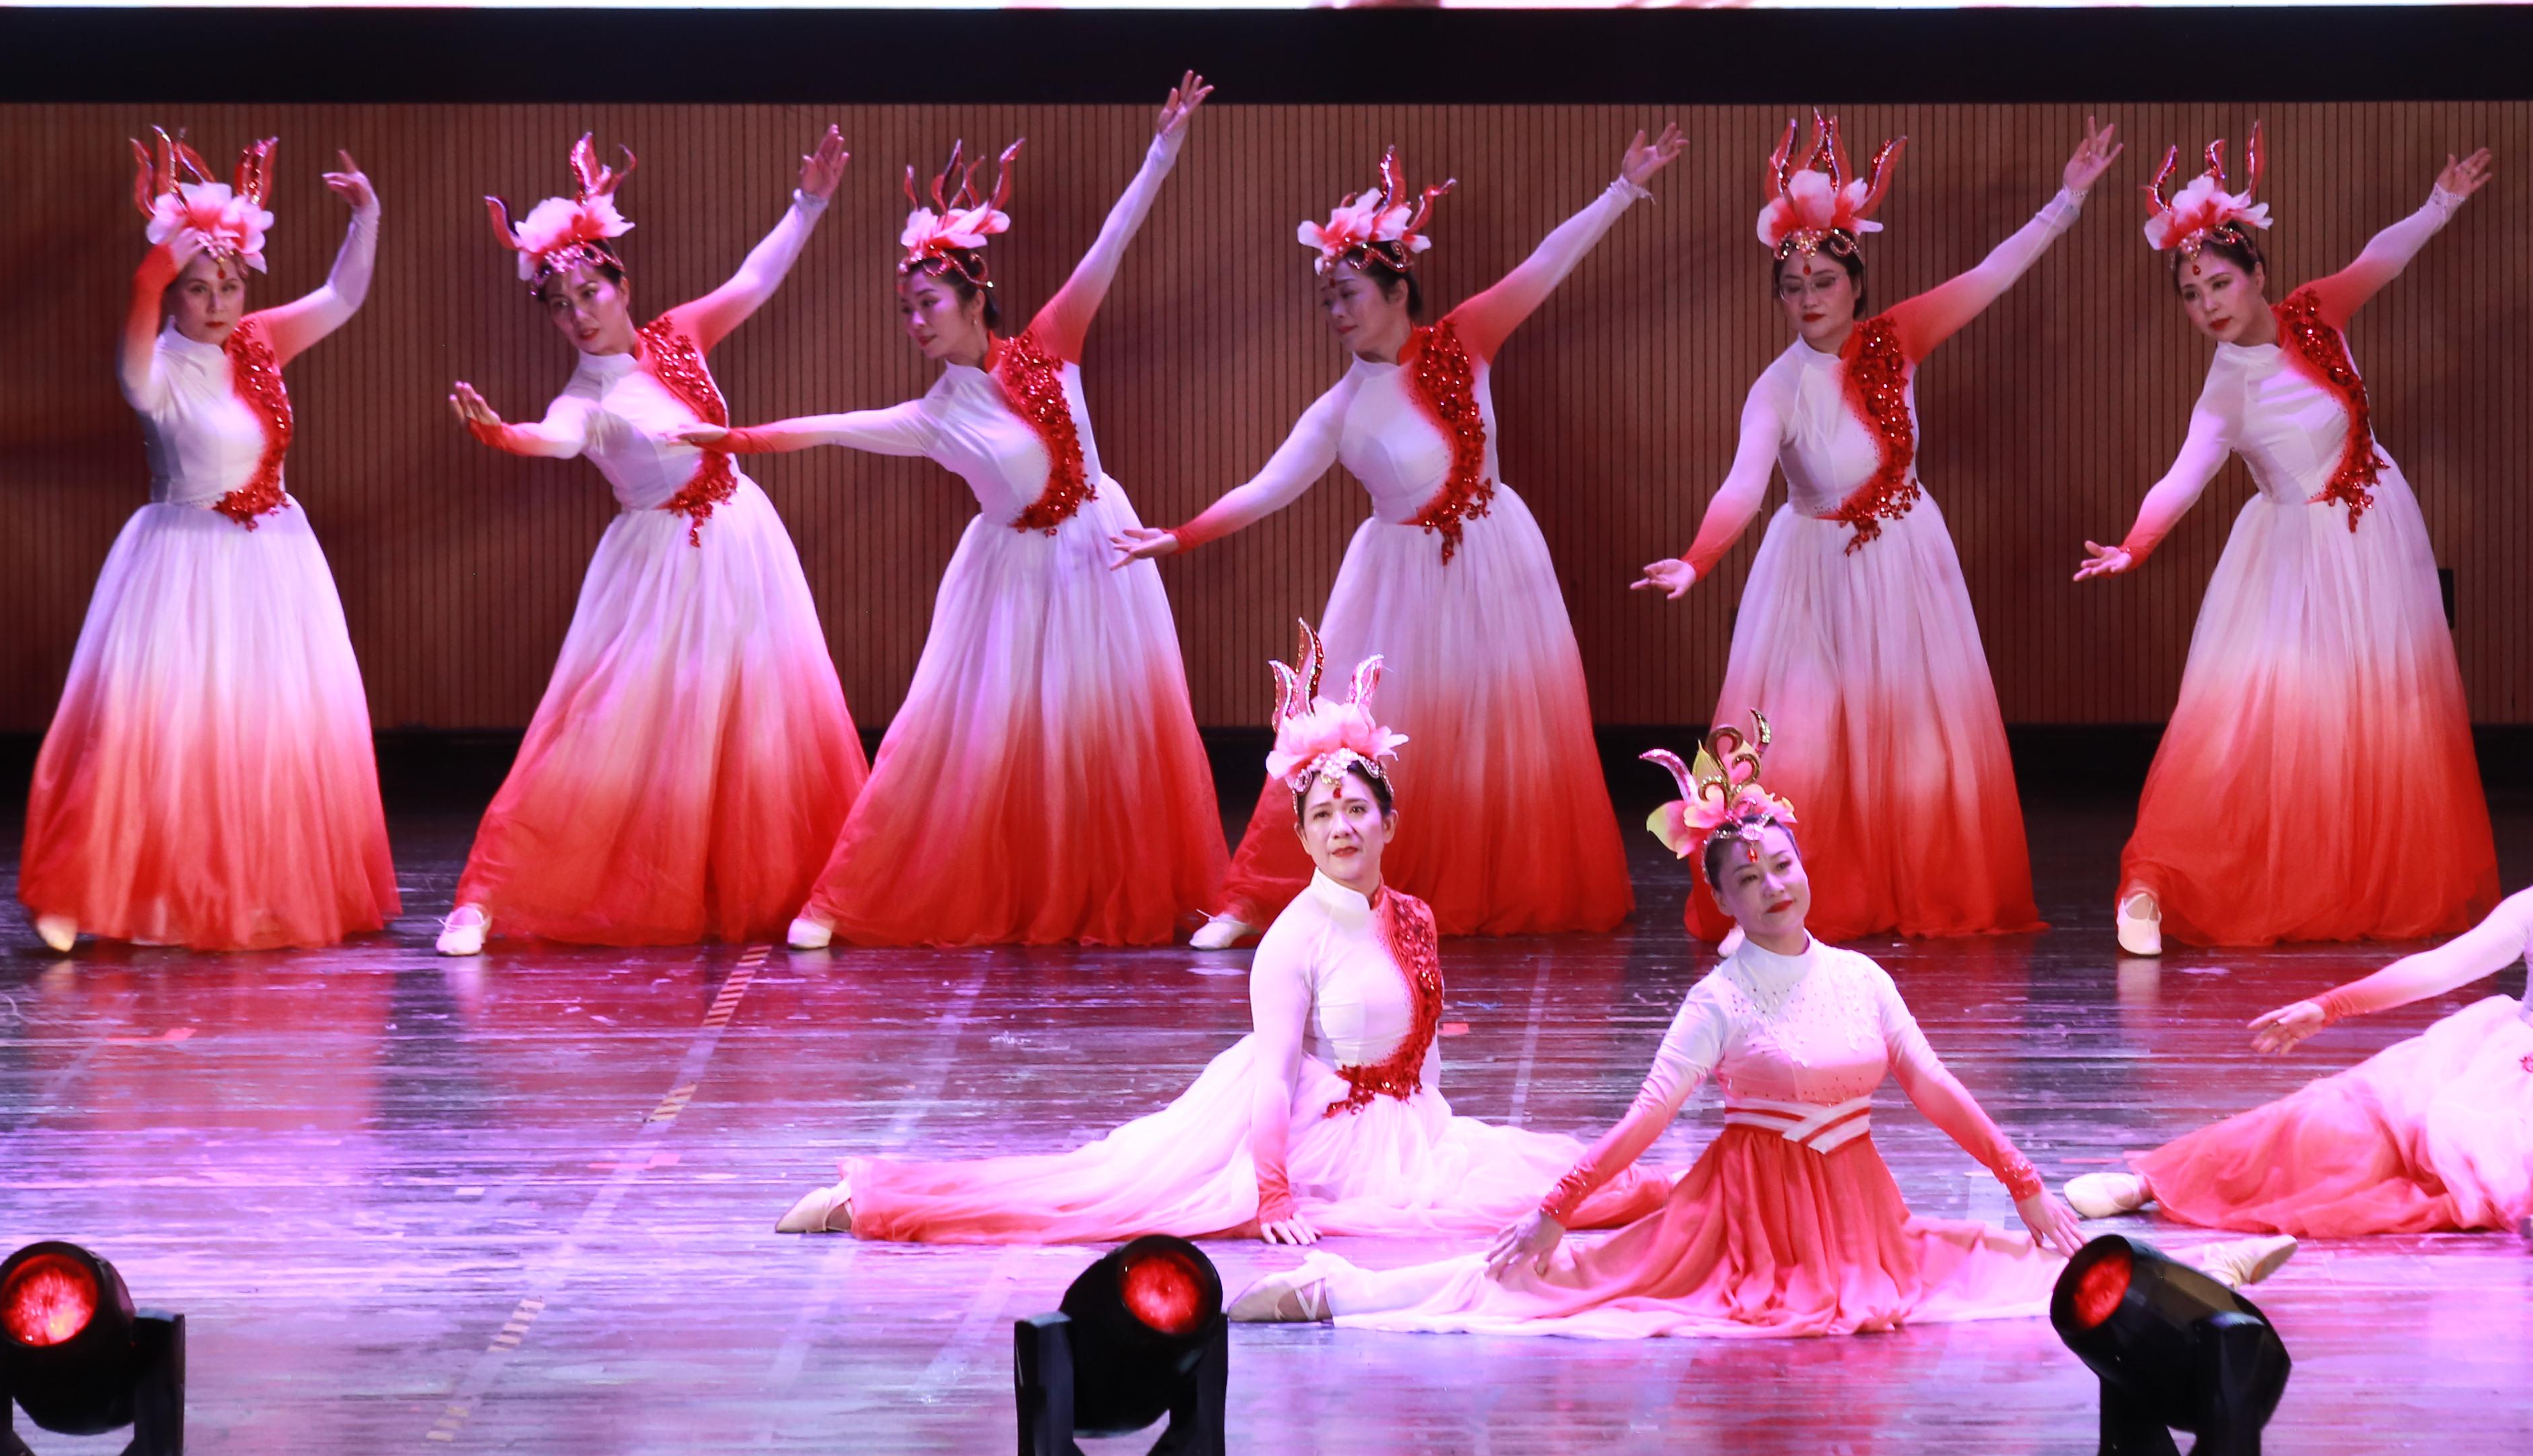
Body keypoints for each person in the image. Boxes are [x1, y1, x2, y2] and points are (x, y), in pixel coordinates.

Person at [1229, 727, 2292, 1333]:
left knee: (1977, 1260)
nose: (1775, 886)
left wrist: (2023, 1181)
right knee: (1568, 1283)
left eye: (1783, 865)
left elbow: (1932, 1086)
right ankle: (1335, 1294)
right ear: (1724, 900)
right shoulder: (1720, 1000)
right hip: (1744, 1215)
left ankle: (2189, 1273)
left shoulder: (1862, 977)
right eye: (1750, 878)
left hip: (1855, 1209)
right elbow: (1645, 1123)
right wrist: (1555, 1211)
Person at [782, 630, 1667, 1243]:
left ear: (1389, 823)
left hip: (1408, 1127)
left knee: (1572, 1189)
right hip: (1312, 1126)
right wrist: (1272, 1190)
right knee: (1102, 1197)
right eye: (1323, 816)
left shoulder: (1415, 916)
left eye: (1358, 811)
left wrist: (1433, 1133)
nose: (1343, 828)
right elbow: (1276, 1075)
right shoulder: (1294, 938)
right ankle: (869, 1201)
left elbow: (1425, 1049)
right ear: (1304, 836)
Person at [2067, 622, 2533, 1257]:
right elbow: (2441, 967)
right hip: (2511, 1070)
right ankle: (2151, 1183)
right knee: (2333, 1120)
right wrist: (2329, 1007)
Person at [675, 81, 1223, 948]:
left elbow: (1113, 240)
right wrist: (733, 437)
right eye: (906, 310)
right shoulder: (933, 417)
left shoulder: (1053, 342)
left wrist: (1164, 147)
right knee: (968, 741)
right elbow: (826, 428)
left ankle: (1102, 888)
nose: (915, 322)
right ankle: (850, 899)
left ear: (974, 298)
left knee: (1107, 732)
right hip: (1011, 578)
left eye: (927, 304)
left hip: (1099, 556)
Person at [1119, 126, 1687, 943]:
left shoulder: (1464, 340)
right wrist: (1179, 536)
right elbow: (1267, 489)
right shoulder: (1340, 410)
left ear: (1396, 291)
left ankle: (1499, 881)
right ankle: (1258, 899)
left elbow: (1546, 265)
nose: (1336, 312)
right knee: (1346, 735)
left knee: (1501, 731)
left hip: (1499, 558)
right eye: (1327, 300)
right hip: (1399, 581)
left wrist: (1622, 189)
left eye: (1348, 294)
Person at [1636, 116, 2122, 943]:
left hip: (1905, 558)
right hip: (1812, 573)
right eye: (1793, 286)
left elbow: (1990, 275)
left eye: (1824, 281)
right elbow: (1744, 486)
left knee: (1919, 739)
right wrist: (1696, 559)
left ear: (1854, 285)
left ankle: (1920, 883)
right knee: (1805, 741)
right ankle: (1802, 895)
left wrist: (2066, 201)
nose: (1809, 298)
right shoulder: (1777, 388)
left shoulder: (1897, 340)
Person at [439, 129, 866, 952]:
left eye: (588, 293)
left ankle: (806, 889)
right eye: (559, 305)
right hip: (658, 570)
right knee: (602, 732)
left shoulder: (678, 334)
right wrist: (504, 435)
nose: (577, 315)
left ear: (620, 285)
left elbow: (755, 278)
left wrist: (808, 203)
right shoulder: (582, 398)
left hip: (743, 543)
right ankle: (491, 895)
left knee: (764, 721)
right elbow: (555, 439)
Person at [2078, 130, 2498, 954]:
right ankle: (2157, 882)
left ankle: (2359, 878)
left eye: (2220, 283)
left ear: (2257, 275)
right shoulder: (2225, 392)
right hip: (2299, 558)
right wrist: (2136, 543)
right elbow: (2183, 477)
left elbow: (2382, 259)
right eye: (2192, 294)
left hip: (2379, 536)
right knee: (2259, 725)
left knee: (2380, 717)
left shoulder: (2315, 313)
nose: (2208, 305)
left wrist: (2440, 202)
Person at [19, 134, 398, 952]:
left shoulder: (257, 343)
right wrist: (158, 264)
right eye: (198, 288)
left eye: (229, 285)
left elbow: (341, 296)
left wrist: (365, 217)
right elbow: (139, 316)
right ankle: (84, 889)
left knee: (266, 732)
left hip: (274, 560)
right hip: (184, 561)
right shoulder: (154, 369)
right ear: (175, 294)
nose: (218, 303)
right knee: (153, 735)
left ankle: (255, 886)